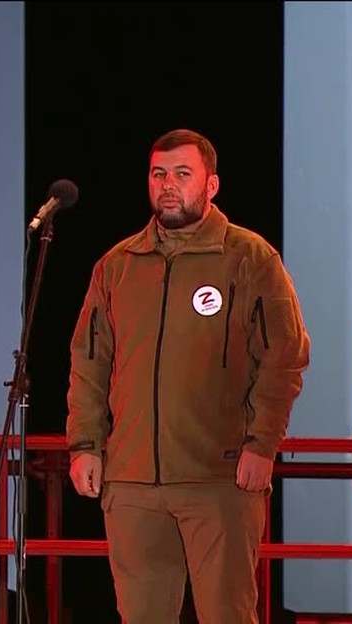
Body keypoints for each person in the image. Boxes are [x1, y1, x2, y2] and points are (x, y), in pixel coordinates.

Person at [65, 128, 310, 624]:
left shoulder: (249, 257)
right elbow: (89, 363)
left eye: (182, 174)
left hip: (218, 479)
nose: (168, 185)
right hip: (132, 482)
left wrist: (262, 444)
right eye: (158, 174)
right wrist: (85, 444)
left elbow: (285, 356)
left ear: (211, 184)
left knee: (227, 615)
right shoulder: (117, 265)